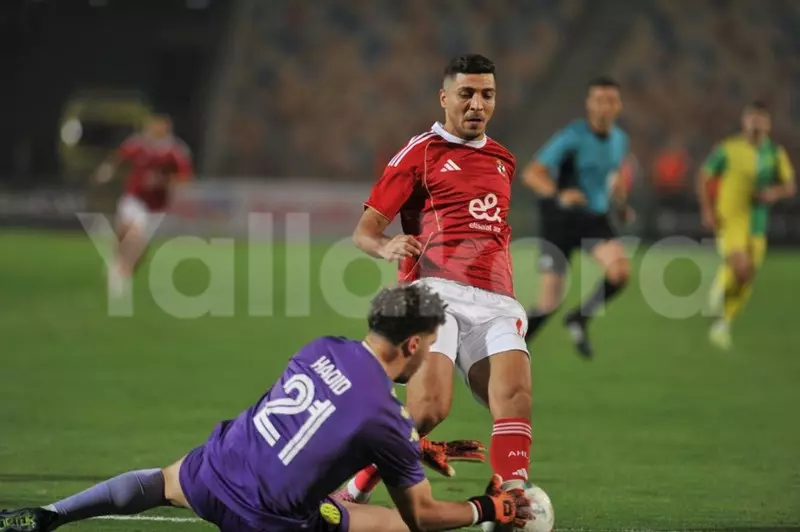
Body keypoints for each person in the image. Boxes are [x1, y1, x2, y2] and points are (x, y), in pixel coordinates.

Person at [0, 285, 530, 532]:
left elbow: (331, 415)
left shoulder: (321, 347)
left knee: (153, 483)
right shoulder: (384, 419)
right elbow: (424, 516)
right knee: (389, 526)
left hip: (215, 471)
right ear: (413, 345)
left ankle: (48, 516)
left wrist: (411, 445)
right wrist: (490, 510)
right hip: (267, 520)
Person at [346, 54, 534, 512]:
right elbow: (365, 232)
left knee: (515, 397)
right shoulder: (421, 153)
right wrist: (387, 247)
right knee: (429, 410)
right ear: (445, 97)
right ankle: (356, 486)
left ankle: (513, 498)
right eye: (466, 94)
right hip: (433, 294)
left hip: (496, 300)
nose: (477, 104)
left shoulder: (504, 160)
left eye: (486, 94)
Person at [521, 76, 632, 359]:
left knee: (619, 273)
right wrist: (559, 194)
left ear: (618, 105)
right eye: (599, 100)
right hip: (561, 220)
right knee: (549, 302)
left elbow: (614, 176)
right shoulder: (572, 136)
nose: (605, 107)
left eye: (611, 100)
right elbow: (532, 173)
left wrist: (620, 205)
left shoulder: (620, 140)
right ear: (589, 104)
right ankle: (512, 347)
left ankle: (580, 318)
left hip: (593, 218)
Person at [697, 101, 796, 350]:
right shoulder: (728, 149)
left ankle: (723, 323)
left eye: (761, 119)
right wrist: (707, 210)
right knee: (741, 267)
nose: (756, 123)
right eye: (752, 118)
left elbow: (790, 186)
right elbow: (704, 176)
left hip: (757, 223)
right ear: (744, 121)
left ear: (768, 124)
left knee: (746, 276)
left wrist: (772, 194)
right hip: (730, 219)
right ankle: (720, 287)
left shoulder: (775, 154)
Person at [93, 114, 193, 296]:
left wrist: (163, 181)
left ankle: (119, 267)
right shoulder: (138, 144)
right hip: (134, 198)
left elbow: (184, 178)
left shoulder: (175, 151)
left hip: (157, 206)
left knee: (140, 248)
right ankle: (119, 274)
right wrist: (106, 172)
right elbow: (120, 157)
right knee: (132, 233)